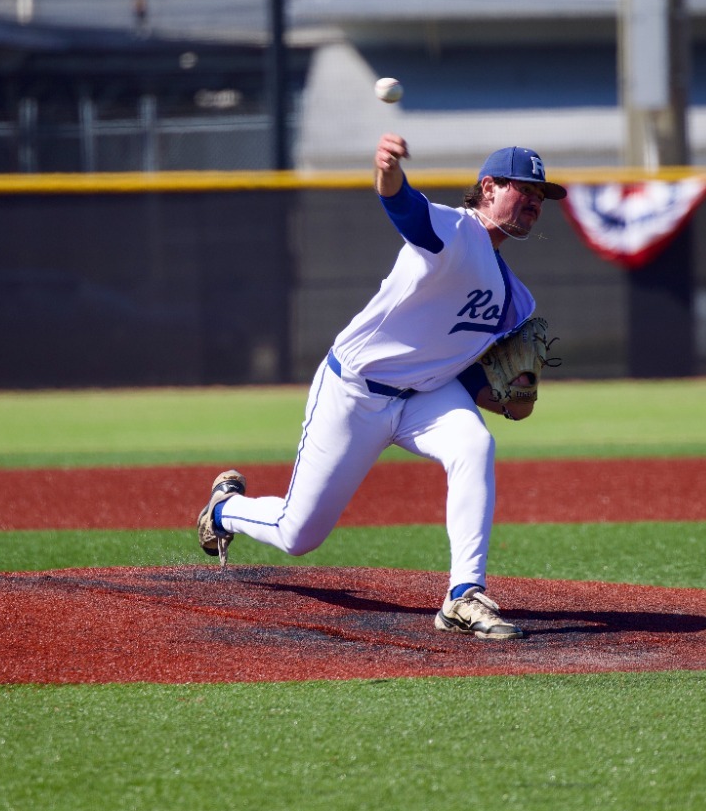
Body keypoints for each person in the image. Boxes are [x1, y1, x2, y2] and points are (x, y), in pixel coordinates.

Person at [195, 133, 562, 640]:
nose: (535, 203)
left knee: (474, 444)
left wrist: (508, 398)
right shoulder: (455, 232)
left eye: (541, 197)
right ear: (488, 187)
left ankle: (463, 596)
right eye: (525, 190)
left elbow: (472, 377)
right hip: (356, 393)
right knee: (299, 534)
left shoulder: (518, 301)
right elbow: (404, 207)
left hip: (426, 396)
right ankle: (223, 511)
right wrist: (387, 169)